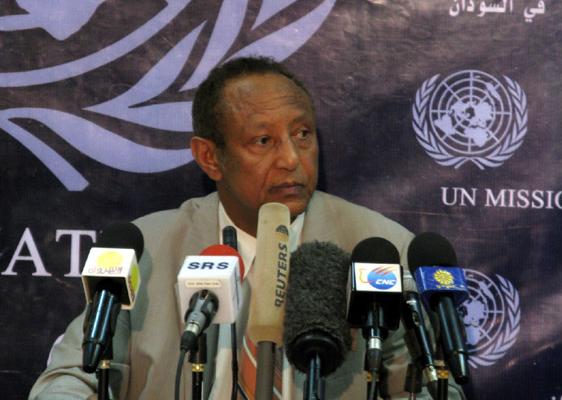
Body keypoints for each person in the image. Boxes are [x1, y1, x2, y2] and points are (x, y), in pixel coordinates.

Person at [29, 56, 464, 399]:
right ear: (210, 158)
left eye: (303, 134)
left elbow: (426, 388)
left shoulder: (380, 250)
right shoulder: (149, 248)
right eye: (263, 141)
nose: (291, 159)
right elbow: (70, 378)